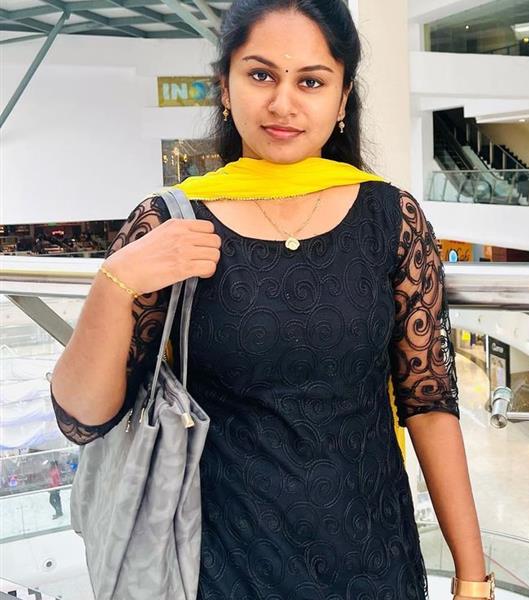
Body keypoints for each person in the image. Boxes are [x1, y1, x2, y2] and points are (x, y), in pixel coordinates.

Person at [49, 1, 492, 598]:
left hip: (374, 560)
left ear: (342, 98)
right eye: (261, 75)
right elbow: (82, 419)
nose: (283, 103)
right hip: (221, 566)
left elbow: (429, 403)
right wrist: (114, 283)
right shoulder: (174, 222)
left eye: (311, 81)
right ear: (225, 86)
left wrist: (472, 576)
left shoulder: (390, 218)